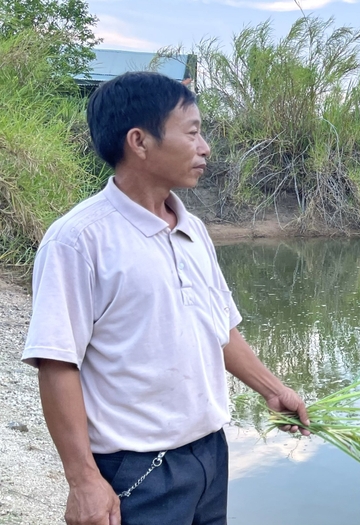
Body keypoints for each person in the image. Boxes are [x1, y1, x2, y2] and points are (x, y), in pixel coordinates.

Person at [22, 71, 310, 525]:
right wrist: (83, 481)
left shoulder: (192, 229)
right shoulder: (78, 241)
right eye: (192, 132)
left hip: (209, 454)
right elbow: (57, 362)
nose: (205, 147)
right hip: (136, 469)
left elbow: (219, 329)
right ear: (140, 141)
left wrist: (275, 391)